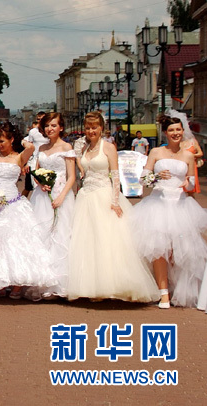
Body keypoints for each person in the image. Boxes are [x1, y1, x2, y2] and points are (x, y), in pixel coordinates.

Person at [66, 112, 159, 303]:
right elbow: (80, 170)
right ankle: (92, 286)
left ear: (101, 128)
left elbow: (115, 176)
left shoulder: (108, 147)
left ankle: (113, 285)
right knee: (87, 242)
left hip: (104, 194)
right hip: (85, 197)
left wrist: (115, 201)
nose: (91, 131)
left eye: (95, 127)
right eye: (88, 127)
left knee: (107, 241)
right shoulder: (83, 148)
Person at [130, 115, 207, 308]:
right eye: (171, 130)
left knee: (177, 251)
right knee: (159, 249)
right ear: (166, 133)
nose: (175, 133)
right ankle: (162, 291)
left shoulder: (188, 155)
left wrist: (186, 183)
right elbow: (143, 179)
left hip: (180, 206)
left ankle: (173, 286)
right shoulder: (156, 152)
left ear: (183, 132)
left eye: (178, 130)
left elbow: (190, 181)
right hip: (158, 204)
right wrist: (156, 177)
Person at [0, 124, 55, 300]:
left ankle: (16, 285)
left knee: (15, 243)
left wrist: (24, 139)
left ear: (11, 140)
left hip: (13, 204)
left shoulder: (19, 157)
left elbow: (31, 147)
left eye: (2, 141)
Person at [27, 112, 76, 299]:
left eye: (54, 125)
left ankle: (61, 283)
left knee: (61, 235)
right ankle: (44, 282)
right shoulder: (42, 148)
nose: (50, 129)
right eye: (47, 125)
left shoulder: (66, 147)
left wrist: (62, 196)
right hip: (42, 196)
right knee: (42, 234)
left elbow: (72, 176)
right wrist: (40, 183)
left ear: (61, 127)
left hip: (61, 194)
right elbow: (37, 170)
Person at [167, 109, 203, 194]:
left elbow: (200, 153)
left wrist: (191, 156)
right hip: (180, 166)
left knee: (190, 190)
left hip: (191, 166)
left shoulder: (192, 141)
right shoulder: (176, 142)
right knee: (179, 189)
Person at [21, 112, 48, 197]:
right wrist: (27, 163)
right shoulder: (33, 132)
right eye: (38, 119)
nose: (40, 121)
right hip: (34, 160)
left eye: (42, 119)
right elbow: (29, 147)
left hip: (47, 159)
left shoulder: (49, 131)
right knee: (34, 185)